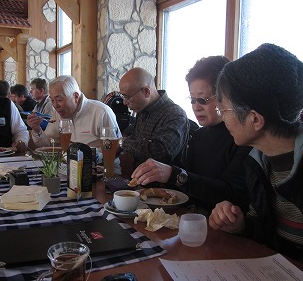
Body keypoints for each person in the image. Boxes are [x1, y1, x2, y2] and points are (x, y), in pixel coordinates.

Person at [208, 44, 303, 261]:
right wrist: (241, 225)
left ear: (255, 119)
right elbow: (269, 234)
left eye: (224, 110)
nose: (222, 118)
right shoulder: (258, 162)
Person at [131, 57, 251, 213]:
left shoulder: (241, 138)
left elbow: (231, 193)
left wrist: (174, 175)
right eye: (192, 100)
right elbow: (188, 186)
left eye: (202, 99)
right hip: (191, 219)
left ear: (226, 97)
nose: (196, 107)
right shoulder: (199, 136)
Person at [119, 67, 189, 168]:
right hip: (137, 179)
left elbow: (160, 154)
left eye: (127, 97)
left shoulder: (175, 115)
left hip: (162, 182)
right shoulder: (142, 109)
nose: (124, 102)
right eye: (123, 97)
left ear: (146, 92)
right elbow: (138, 142)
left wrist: (123, 142)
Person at [27, 75, 121, 148]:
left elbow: (115, 149)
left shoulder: (101, 112)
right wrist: (37, 130)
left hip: (98, 168)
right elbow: (47, 146)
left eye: (59, 100)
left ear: (76, 96)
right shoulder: (58, 114)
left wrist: (91, 155)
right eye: (52, 100)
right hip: (69, 168)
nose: (55, 105)